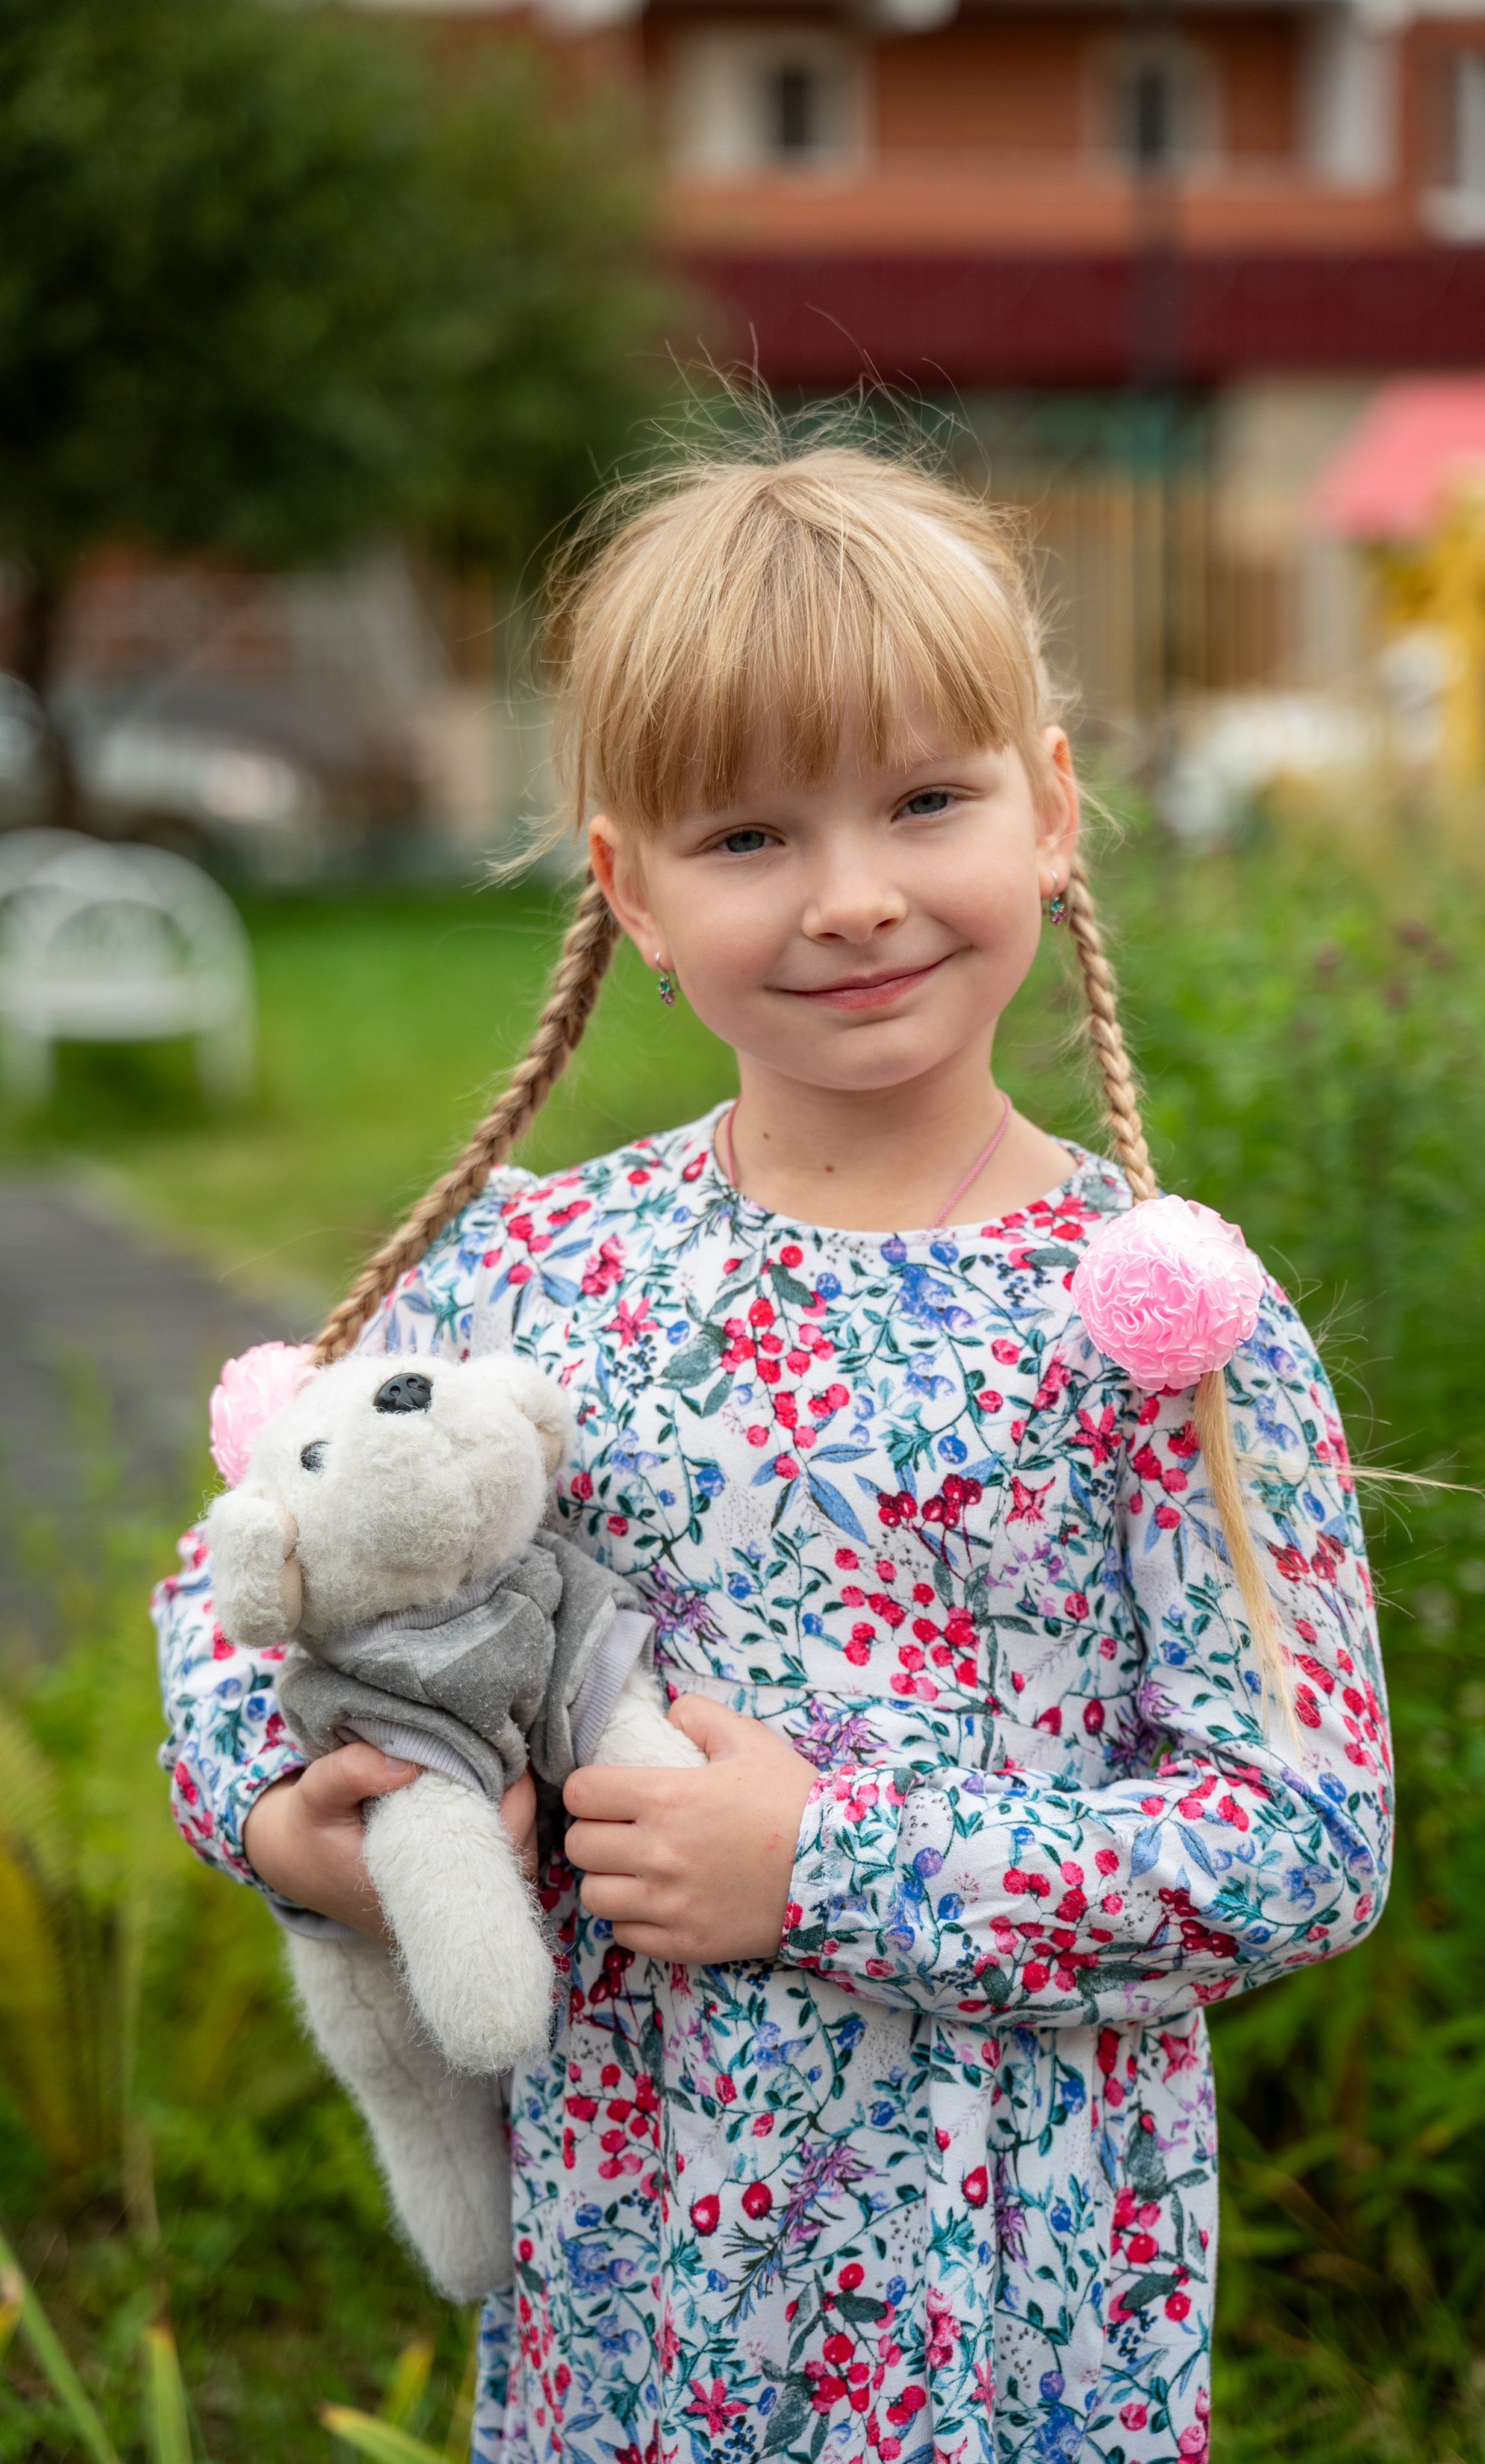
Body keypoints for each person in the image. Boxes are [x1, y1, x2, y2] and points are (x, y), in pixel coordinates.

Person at [154, 442, 1391, 2464]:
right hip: (629, 2272)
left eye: (926, 798)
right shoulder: (542, 1267)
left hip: (1005, 2292)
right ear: (630, 889)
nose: (853, 895)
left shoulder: (1152, 1318)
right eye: (749, 834)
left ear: (1054, 807)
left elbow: (1304, 1837)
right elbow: (234, 1589)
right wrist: (281, 1818)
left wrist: (819, 1861)